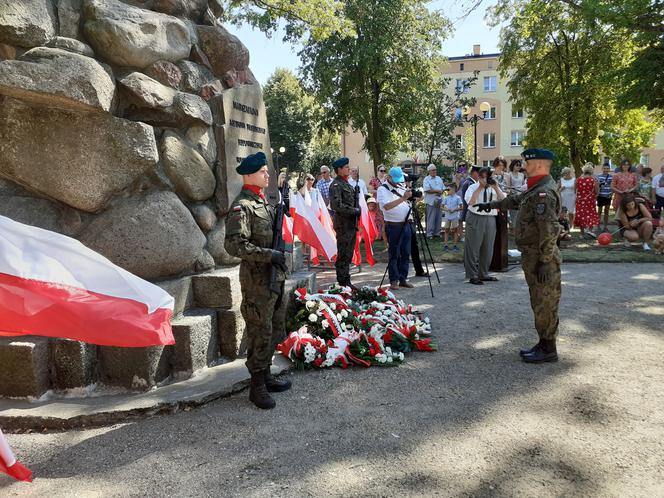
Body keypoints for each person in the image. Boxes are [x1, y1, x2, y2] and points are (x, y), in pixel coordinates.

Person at [475, 148, 562, 363]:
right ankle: (543, 343)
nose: (523, 166)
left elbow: (550, 231)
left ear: (540, 165)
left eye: (528, 163)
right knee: (538, 301)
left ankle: (549, 348)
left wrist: (544, 260)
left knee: (545, 302)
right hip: (533, 255)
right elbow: (515, 201)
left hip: (542, 258)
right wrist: (491, 205)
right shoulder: (536, 188)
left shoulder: (544, 193)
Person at [225, 151, 291, 409]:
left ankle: (266, 374)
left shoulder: (263, 203)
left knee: (274, 326)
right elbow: (234, 245)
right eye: (263, 171)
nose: (267, 175)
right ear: (250, 174)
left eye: (267, 170)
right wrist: (269, 255)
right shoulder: (242, 206)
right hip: (257, 280)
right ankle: (256, 386)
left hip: (274, 276)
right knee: (259, 330)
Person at [464, 167, 505, 285]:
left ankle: (483, 273)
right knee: (473, 247)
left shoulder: (493, 188)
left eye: (487, 177)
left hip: (490, 218)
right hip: (475, 217)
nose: (485, 179)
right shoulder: (472, 187)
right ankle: (472, 275)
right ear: (479, 177)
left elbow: (503, 200)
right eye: (483, 177)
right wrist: (480, 187)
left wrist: (496, 187)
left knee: (488, 248)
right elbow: (470, 202)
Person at [377, 166, 414, 290]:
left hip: (406, 224)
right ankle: (394, 280)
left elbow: (408, 201)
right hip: (393, 226)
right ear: (388, 177)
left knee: (406, 253)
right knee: (394, 253)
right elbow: (386, 207)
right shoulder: (382, 189)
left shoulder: (401, 185)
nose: (398, 182)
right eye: (396, 180)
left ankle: (403, 278)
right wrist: (403, 198)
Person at [329, 157, 361, 289]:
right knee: (343, 254)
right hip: (343, 225)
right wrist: (354, 210)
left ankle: (346, 280)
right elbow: (336, 205)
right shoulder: (336, 185)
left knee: (348, 253)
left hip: (350, 224)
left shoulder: (346, 184)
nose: (348, 168)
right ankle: (343, 282)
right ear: (339, 169)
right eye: (346, 167)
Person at [574, 162, 600, 238]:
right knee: (591, 214)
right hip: (590, 200)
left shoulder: (578, 179)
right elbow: (597, 191)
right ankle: (590, 230)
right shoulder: (593, 180)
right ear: (591, 171)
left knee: (581, 215)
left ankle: (581, 233)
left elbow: (574, 190)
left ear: (583, 171)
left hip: (580, 201)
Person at [423, 164, 445, 239]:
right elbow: (427, 190)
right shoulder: (426, 179)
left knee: (439, 217)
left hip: (439, 200)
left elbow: (443, 188)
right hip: (431, 201)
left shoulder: (439, 178)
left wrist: (441, 191)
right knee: (431, 218)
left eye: (435, 169)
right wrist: (437, 191)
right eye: (433, 170)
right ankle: (429, 234)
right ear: (429, 171)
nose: (435, 171)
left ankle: (437, 233)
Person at [442, 183, 462, 251]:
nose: (447, 191)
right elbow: (441, 206)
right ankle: (446, 245)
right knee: (446, 230)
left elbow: (461, 207)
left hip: (455, 217)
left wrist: (454, 209)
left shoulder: (458, 198)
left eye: (448, 189)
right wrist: (446, 209)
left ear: (453, 190)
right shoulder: (446, 198)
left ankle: (455, 245)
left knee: (455, 231)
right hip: (447, 217)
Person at [505, 159, 525, 227]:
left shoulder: (522, 175)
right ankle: (513, 227)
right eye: (517, 165)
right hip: (513, 196)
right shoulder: (509, 174)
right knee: (513, 213)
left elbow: (523, 185)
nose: (519, 166)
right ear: (513, 165)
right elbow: (508, 186)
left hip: (521, 196)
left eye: (520, 165)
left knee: (520, 213)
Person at [596, 163, 613, 231]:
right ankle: (598, 226)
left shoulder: (611, 177)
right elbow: (596, 186)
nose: (606, 170)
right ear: (602, 168)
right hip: (600, 195)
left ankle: (605, 226)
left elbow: (612, 186)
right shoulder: (598, 176)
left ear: (609, 169)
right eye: (604, 168)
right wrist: (600, 184)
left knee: (606, 211)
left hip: (608, 195)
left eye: (607, 168)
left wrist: (611, 193)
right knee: (599, 211)